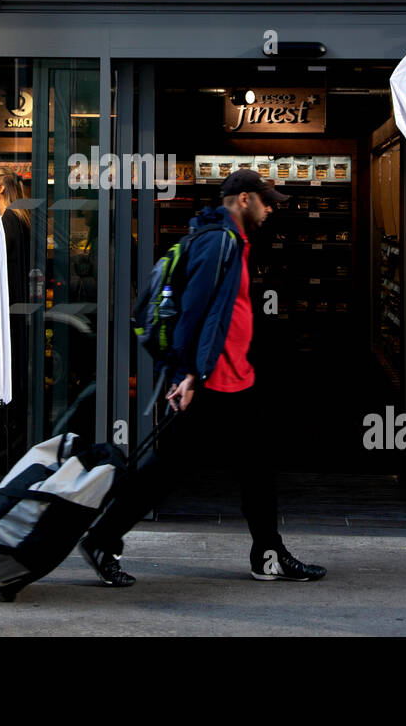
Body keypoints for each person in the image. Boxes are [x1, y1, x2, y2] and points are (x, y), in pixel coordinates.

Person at [78, 169, 327, 585]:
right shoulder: (219, 242)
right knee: (165, 470)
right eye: (266, 201)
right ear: (244, 200)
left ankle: (267, 553)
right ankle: (102, 537)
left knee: (254, 465)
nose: (270, 209)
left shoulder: (231, 240)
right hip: (212, 381)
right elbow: (194, 311)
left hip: (234, 378)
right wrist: (187, 374)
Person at [0, 166, 32, 481]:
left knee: (9, 373)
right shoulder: (20, 220)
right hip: (18, 306)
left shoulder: (7, 223)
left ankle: (9, 445)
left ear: (1, 189)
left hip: (8, 307)